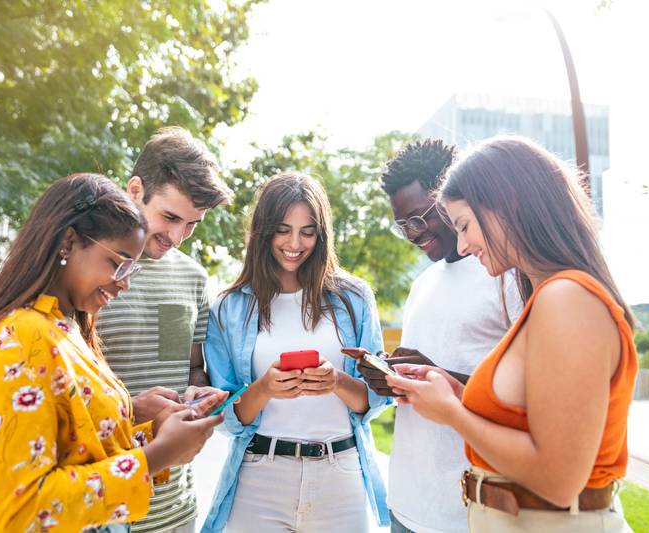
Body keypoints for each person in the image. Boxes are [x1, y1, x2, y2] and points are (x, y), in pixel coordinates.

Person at [0, 173, 224, 533]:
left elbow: (76, 445)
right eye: (118, 263)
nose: (124, 281)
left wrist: (140, 420)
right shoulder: (22, 340)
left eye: (131, 268)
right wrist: (158, 456)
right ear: (68, 243)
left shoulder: (68, 326)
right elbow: (21, 512)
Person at [387, 136, 638, 532]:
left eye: (465, 225)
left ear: (508, 204)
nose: (465, 245)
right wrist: (455, 392)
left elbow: (558, 479)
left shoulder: (566, 297)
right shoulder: (550, 295)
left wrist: (452, 413)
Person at [202, 172, 391, 533]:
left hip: (340, 473)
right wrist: (264, 389)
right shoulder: (229, 306)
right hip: (260, 476)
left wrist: (336, 381)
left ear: (321, 235)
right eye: (283, 229)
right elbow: (224, 414)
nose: (294, 243)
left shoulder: (354, 297)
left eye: (307, 231)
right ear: (262, 231)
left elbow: (377, 398)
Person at [352, 138, 520, 533]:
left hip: (467, 513)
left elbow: (526, 400)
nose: (412, 233)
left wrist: (438, 376)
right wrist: (391, 376)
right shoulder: (423, 284)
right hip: (406, 504)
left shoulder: (507, 277)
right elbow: (420, 390)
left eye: (421, 217)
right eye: (403, 225)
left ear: (452, 197)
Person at [96, 127, 234, 533]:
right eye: (170, 217)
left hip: (176, 511)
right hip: (103, 507)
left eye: (192, 224)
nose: (176, 236)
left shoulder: (192, 276)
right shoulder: (89, 270)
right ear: (135, 189)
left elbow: (188, 366)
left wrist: (198, 391)